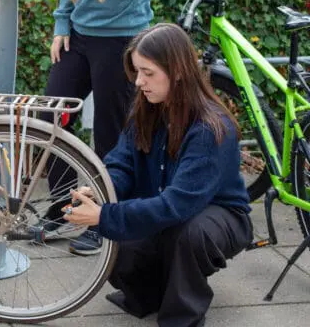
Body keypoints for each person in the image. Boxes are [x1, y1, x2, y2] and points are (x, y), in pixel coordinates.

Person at [63, 23, 253, 327]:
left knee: (189, 235)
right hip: (172, 207)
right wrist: (100, 191)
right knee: (119, 241)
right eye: (138, 72)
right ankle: (152, 294)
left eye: (148, 73)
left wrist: (104, 215)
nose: (139, 82)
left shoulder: (209, 128)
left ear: (177, 71)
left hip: (217, 217)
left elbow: (177, 205)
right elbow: (121, 163)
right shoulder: (147, 108)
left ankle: (182, 317)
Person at [40, 0, 165, 255]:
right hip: (78, 36)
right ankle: (61, 208)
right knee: (50, 119)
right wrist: (61, 22)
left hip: (122, 41)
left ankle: (102, 220)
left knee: (111, 135)